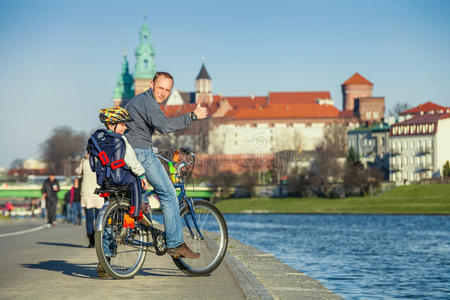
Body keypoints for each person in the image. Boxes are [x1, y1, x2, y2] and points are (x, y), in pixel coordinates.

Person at [125, 71, 207, 259]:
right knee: (169, 194)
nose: (163, 93)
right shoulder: (147, 101)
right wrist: (192, 116)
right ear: (152, 84)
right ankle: (176, 244)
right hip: (141, 153)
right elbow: (164, 125)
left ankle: (105, 257)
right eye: (160, 88)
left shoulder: (138, 101)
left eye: (167, 91)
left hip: (128, 153)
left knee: (136, 200)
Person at [96, 106, 150, 278]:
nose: (125, 127)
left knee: (109, 224)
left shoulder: (100, 141)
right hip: (122, 181)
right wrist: (142, 174)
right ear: (113, 125)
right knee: (140, 184)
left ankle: (105, 263)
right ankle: (138, 212)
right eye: (122, 124)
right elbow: (132, 161)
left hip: (107, 182)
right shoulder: (121, 141)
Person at [77, 153, 104, 248]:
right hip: (98, 193)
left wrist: (84, 159)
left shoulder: (84, 162)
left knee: (89, 218)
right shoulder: (100, 161)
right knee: (98, 218)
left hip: (86, 193)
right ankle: (98, 238)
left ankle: (91, 240)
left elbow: (78, 172)